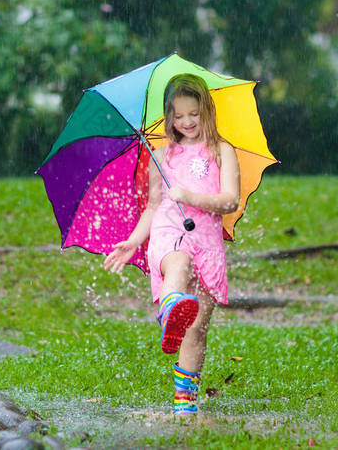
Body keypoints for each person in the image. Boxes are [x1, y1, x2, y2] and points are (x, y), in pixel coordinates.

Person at [103, 73, 240, 416]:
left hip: (206, 241)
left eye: (193, 113)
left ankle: (185, 401)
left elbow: (230, 201)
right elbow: (152, 206)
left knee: (197, 330)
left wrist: (191, 195)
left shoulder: (222, 151)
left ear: (206, 110)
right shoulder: (161, 157)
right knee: (177, 263)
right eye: (177, 116)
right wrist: (133, 242)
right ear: (168, 117)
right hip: (169, 232)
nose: (186, 122)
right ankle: (170, 308)